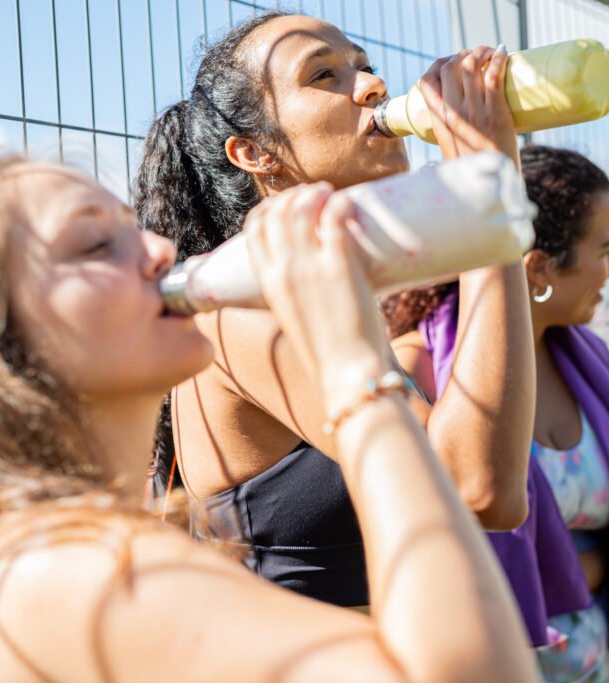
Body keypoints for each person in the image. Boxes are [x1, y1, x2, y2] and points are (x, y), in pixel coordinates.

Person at [0, 157, 538, 683]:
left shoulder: (44, 555)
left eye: (132, 225)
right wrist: (352, 366)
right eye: (95, 246)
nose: (155, 247)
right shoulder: (64, 569)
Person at [135, 10, 535, 608]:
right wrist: (485, 196)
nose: (373, 86)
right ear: (254, 152)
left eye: (367, 67)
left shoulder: (309, 294)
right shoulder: (243, 305)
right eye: (324, 75)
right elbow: (478, 488)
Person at [388, 145, 609, 681]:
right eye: (605, 249)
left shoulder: (588, 362)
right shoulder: (418, 371)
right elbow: (432, 556)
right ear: (536, 270)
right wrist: (598, 566)